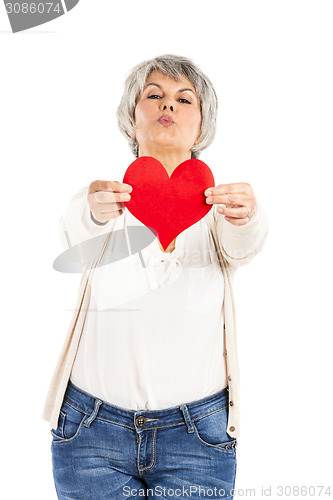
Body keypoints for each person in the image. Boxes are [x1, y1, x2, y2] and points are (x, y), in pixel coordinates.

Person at [42, 54, 268, 500]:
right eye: (155, 96)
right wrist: (92, 210)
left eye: (185, 99)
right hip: (90, 434)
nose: (169, 106)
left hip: (198, 438)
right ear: (131, 119)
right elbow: (74, 232)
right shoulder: (104, 203)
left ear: (202, 127)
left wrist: (248, 218)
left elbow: (245, 243)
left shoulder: (221, 209)